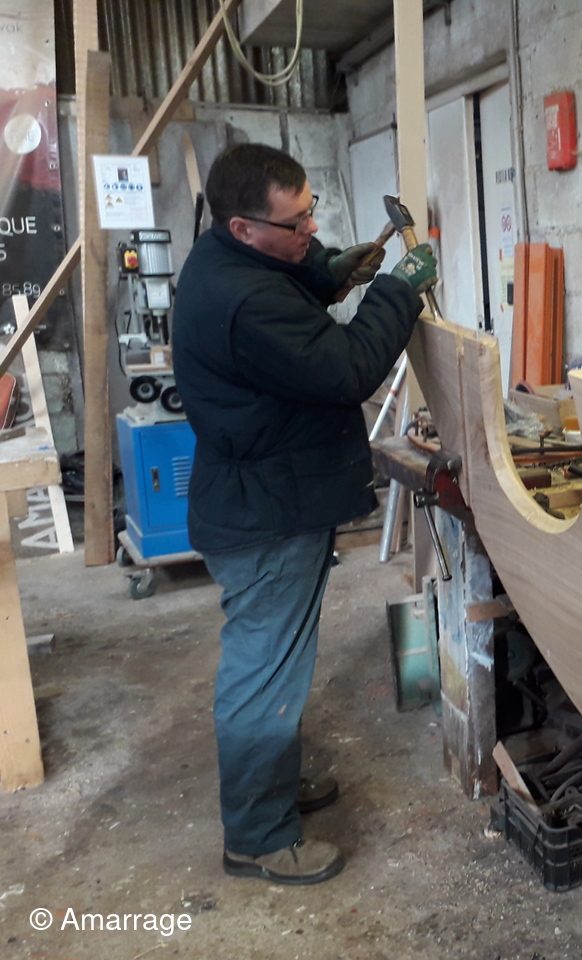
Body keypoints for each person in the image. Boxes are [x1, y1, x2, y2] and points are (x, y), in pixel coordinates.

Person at [172, 143, 437, 885]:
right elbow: (346, 368)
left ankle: (272, 788)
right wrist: (396, 293)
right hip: (265, 514)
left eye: (309, 212)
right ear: (241, 226)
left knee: (278, 667)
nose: (310, 230)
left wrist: (327, 271)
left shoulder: (230, 258)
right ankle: (258, 836)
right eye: (296, 225)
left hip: (267, 494)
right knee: (264, 675)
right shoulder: (244, 303)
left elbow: (285, 278)